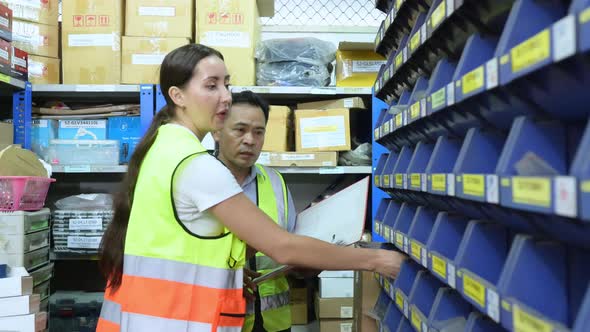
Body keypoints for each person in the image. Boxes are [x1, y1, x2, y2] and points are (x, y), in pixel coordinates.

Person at [97, 44, 405, 332]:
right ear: (177, 96)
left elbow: (175, 241)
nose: (226, 96)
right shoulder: (196, 165)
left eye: (226, 84)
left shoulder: (162, 147)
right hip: (175, 320)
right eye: (211, 85)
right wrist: (376, 261)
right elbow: (282, 246)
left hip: (146, 317)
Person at [213, 91, 297, 332]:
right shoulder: (196, 180)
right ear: (217, 132)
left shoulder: (275, 180)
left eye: (258, 132)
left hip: (274, 322)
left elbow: (291, 242)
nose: (250, 140)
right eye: (240, 130)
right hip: (219, 321)